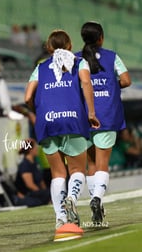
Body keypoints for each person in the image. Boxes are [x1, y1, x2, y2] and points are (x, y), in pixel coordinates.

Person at [24, 29, 100, 232]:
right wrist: (91, 113)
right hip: (72, 120)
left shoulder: (40, 68)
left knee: (57, 174)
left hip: (47, 122)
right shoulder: (79, 62)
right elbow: (85, 82)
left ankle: (60, 219)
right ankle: (72, 199)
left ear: (49, 47)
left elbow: (27, 96)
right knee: (77, 170)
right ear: (70, 45)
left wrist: (38, 112)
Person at [77, 21, 131, 225]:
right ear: (101, 38)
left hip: (83, 116)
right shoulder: (111, 56)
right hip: (106, 115)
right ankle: (97, 199)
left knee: (91, 163)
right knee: (102, 164)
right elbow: (126, 80)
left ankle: (95, 204)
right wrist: (111, 85)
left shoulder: (76, 58)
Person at [14, 138, 50, 207]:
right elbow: (30, 185)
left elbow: (41, 181)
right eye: (35, 147)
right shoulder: (25, 165)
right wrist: (42, 194)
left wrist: (45, 192)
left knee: (49, 191)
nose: (37, 149)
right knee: (47, 194)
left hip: (36, 193)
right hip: (27, 194)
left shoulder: (35, 163)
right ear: (30, 149)